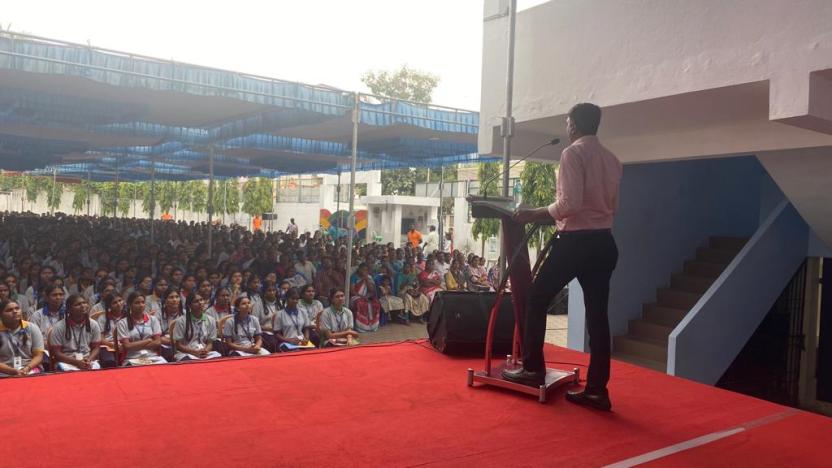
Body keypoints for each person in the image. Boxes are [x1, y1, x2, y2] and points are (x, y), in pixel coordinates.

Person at [503, 103, 621, 412]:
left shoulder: (573, 153)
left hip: (577, 242)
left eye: (567, 122)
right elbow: (611, 205)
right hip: (604, 242)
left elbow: (569, 204)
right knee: (598, 317)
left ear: (573, 125)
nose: (566, 127)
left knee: (536, 298)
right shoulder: (612, 159)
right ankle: (597, 390)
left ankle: (532, 370)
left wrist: (532, 214)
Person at [48, 294, 102, 371]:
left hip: (87, 360)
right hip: (67, 362)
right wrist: (77, 362)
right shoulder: (59, 327)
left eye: (84, 303)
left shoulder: (93, 324)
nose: (83, 306)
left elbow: (96, 348)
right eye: (78, 304)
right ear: (69, 309)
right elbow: (56, 353)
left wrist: (88, 360)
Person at [117, 292, 166, 365]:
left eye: (143, 302)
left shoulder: (153, 320)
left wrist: (134, 345)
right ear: (130, 305)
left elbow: (158, 342)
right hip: (132, 358)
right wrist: (148, 340)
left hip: (152, 356)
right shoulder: (122, 323)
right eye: (137, 303)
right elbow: (127, 346)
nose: (141, 305)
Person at [0, 299, 45, 377]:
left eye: (17, 308)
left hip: (29, 369)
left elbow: (38, 356)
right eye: (9, 310)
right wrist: (12, 371)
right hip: (4, 371)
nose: (15, 311)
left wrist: (27, 368)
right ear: (1, 315)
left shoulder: (32, 328)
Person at [172, 293, 222, 361]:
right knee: (188, 361)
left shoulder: (211, 320)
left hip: (203, 352)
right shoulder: (181, 321)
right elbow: (178, 345)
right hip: (187, 353)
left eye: (201, 300)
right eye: (196, 301)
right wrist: (193, 352)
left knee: (218, 358)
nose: (200, 303)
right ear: (189, 305)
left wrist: (206, 350)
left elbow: (210, 343)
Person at [95, 293, 125, 368]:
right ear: (109, 306)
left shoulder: (128, 316)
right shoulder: (103, 318)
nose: (118, 304)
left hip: (124, 344)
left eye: (120, 300)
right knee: (109, 361)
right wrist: (112, 344)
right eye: (115, 303)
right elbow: (100, 338)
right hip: (107, 345)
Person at [350, 263, 382, 332]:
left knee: (376, 303)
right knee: (360, 304)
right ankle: (360, 326)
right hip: (355, 296)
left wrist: (366, 279)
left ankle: (372, 325)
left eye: (366, 270)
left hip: (366, 296)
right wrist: (362, 297)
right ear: (359, 269)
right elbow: (352, 291)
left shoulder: (369, 277)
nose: (364, 271)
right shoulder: (354, 277)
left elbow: (371, 290)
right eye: (363, 269)